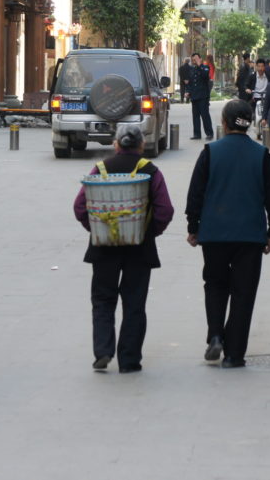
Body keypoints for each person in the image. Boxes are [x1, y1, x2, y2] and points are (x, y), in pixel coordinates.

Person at [186, 100, 270, 368]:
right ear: (248, 123)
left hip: (214, 233)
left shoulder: (210, 152)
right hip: (250, 235)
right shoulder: (262, 155)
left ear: (224, 123)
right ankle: (234, 354)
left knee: (215, 285)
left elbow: (195, 194)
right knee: (244, 292)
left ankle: (216, 335)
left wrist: (193, 227)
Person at [73, 124, 175, 373]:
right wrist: (147, 232)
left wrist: (97, 228)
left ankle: (103, 351)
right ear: (141, 144)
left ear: (116, 144)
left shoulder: (100, 169)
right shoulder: (150, 171)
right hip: (139, 249)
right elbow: (165, 210)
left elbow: (79, 207)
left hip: (104, 247)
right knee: (134, 303)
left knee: (103, 300)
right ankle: (129, 360)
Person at [187, 52, 214, 140]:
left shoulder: (205, 68)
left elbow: (205, 76)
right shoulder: (192, 69)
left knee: (205, 115)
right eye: (193, 59)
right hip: (194, 96)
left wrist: (199, 65)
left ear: (200, 59)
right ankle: (197, 134)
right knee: (195, 116)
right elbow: (190, 83)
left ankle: (209, 133)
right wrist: (188, 92)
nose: (194, 61)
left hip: (203, 96)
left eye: (196, 59)